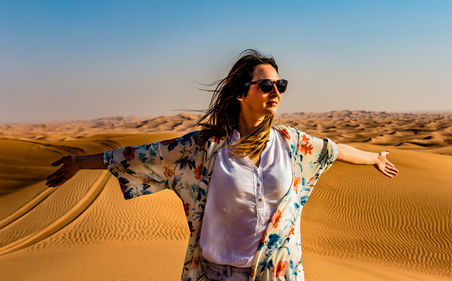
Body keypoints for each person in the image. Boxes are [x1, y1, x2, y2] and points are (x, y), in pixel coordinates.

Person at [45, 49, 399, 281]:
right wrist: (81, 161)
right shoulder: (206, 148)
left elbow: (334, 151)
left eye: (280, 85)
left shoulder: (292, 144)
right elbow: (143, 155)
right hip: (218, 276)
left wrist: (375, 159)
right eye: (265, 85)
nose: (275, 91)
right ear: (241, 94)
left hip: (276, 275)